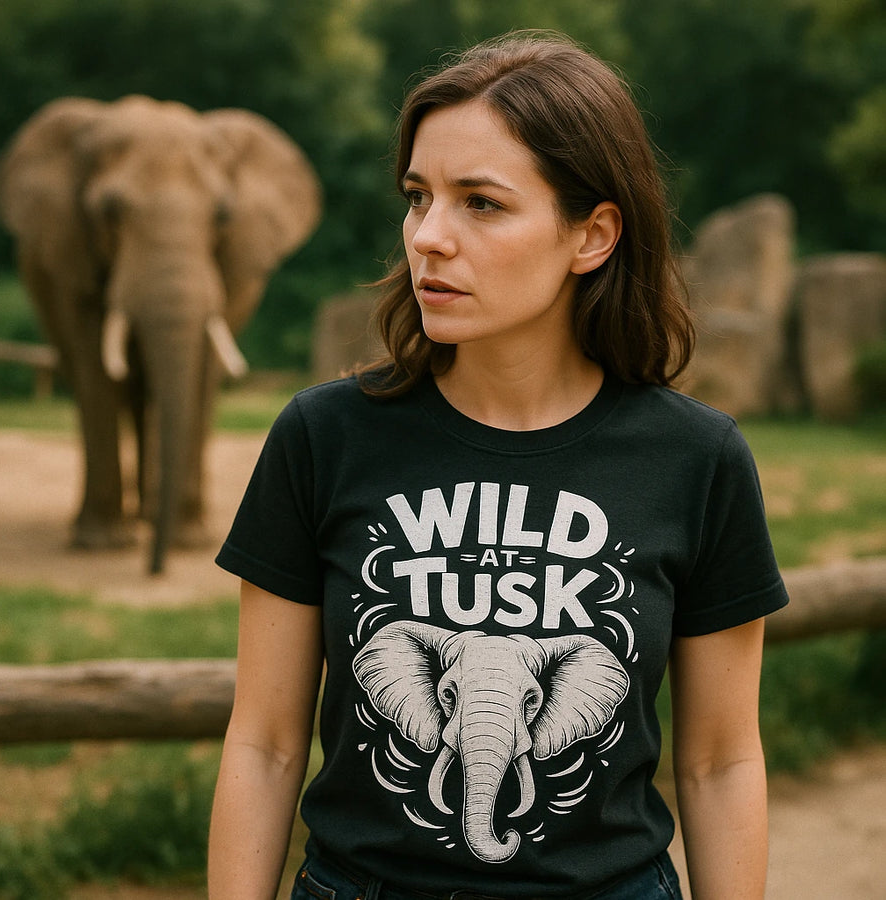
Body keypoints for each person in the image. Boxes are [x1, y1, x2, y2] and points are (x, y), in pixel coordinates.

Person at [208, 31, 788, 900]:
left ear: (592, 235)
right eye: (418, 197)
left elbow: (720, 762)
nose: (428, 237)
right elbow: (264, 744)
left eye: (481, 203)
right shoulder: (323, 437)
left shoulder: (697, 459)